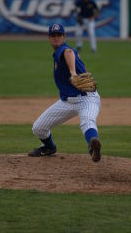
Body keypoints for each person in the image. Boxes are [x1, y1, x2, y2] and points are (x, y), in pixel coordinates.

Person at [28, 23, 101, 162]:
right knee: (38, 128)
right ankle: (49, 148)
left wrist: (73, 72)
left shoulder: (64, 50)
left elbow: (69, 53)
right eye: (53, 35)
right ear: (49, 38)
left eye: (59, 35)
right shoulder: (57, 53)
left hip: (87, 99)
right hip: (68, 101)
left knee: (87, 122)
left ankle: (93, 147)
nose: (56, 38)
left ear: (64, 37)